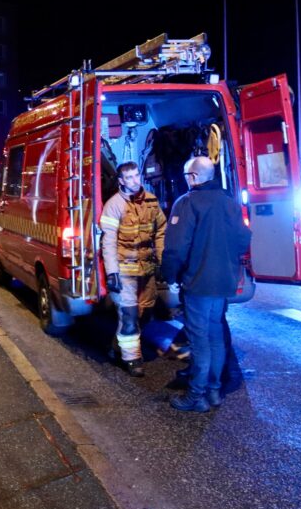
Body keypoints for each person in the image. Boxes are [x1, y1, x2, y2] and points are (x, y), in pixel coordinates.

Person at [161, 156, 251, 412]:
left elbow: (176, 248)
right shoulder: (229, 203)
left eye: (187, 176)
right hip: (223, 283)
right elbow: (244, 238)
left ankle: (195, 396)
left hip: (198, 283)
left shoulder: (187, 203)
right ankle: (213, 392)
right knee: (216, 337)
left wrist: (170, 275)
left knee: (199, 341)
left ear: (194, 177)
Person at [99, 161, 167, 377]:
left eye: (137, 175)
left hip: (146, 269)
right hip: (124, 270)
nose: (136, 180)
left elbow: (161, 232)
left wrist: (162, 262)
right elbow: (108, 241)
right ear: (121, 181)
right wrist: (112, 272)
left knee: (145, 313)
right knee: (128, 315)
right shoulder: (114, 205)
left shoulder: (151, 202)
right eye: (130, 177)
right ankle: (132, 359)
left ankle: (117, 346)